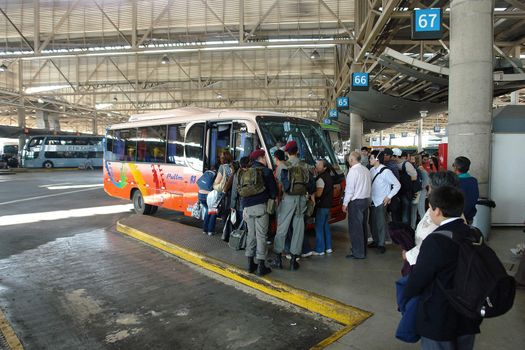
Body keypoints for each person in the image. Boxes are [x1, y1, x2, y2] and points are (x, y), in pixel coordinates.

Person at [402, 186, 483, 350]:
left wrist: (404, 300)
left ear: (437, 211)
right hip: (469, 312)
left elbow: (418, 279)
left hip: (440, 316)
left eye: (430, 208)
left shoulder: (436, 240)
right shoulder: (475, 234)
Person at [403, 171, 460, 267]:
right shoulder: (448, 209)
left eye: (430, 187)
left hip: (427, 266)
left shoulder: (442, 215)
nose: (428, 189)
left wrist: (408, 255)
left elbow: (429, 247)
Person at [272, 140, 311, 270]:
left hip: (288, 199)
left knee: (282, 229)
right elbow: (310, 185)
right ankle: (294, 261)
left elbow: (279, 185)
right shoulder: (305, 165)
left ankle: (278, 259)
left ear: (287, 152)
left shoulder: (283, 166)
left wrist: (278, 199)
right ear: (297, 151)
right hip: (301, 200)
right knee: (298, 230)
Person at [240, 149, 277, 276]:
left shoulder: (246, 171)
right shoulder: (266, 171)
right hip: (261, 207)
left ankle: (250, 264)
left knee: (251, 234)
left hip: (247, 208)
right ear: (261, 158)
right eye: (265, 157)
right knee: (261, 236)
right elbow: (274, 192)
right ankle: (261, 266)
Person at [368, 150, 401, 254]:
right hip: (372, 200)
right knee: (372, 222)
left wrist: (389, 196)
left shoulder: (386, 171)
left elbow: (397, 185)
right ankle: (376, 240)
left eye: (371, 158)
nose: (370, 159)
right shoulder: (372, 170)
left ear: (377, 159)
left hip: (381, 201)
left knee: (381, 223)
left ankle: (381, 244)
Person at [342, 151, 371, 259]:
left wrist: (345, 203)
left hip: (355, 202)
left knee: (355, 228)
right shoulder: (366, 170)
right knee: (363, 226)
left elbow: (349, 190)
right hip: (365, 200)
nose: (348, 160)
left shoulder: (353, 172)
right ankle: (362, 250)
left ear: (352, 160)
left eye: (349, 158)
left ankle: (358, 253)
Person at [312, 159, 334, 255]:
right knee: (325, 226)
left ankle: (320, 249)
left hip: (321, 205)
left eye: (319, 164)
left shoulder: (321, 178)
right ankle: (328, 247)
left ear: (324, 167)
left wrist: (311, 195)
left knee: (319, 226)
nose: (316, 165)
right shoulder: (328, 176)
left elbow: (319, 193)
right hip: (328, 205)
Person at [452, 156, 479, 225]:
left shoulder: (454, 181)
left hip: (456, 218)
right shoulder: (473, 181)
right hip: (469, 217)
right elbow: (474, 198)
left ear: (455, 167)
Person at [396, 149, 419, 225]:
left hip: (405, 191)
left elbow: (415, 177)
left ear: (396, 156)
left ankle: (405, 231)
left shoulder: (406, 164)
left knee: (405, 211)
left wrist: (404, 180)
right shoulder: (395, 164)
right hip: (400, 191)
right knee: (401, 211)